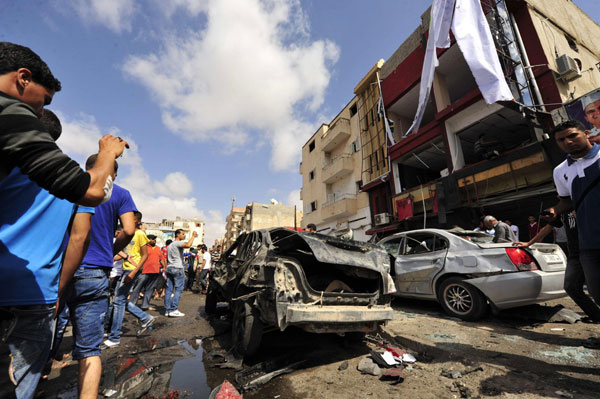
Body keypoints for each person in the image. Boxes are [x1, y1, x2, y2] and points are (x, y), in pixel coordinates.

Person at [0, 113, 95, 399]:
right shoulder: (70, 179)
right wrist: (58, 289)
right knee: (19, 385)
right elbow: (79, 237)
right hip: (36, 292)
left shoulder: (8, 163)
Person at [0, 42, 127, 206]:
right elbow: (91, 191)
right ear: (23, 78)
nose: (41, 112)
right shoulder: (11, 112)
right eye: (45, 101)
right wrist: (108, 152)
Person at [52, 154, 136, 399]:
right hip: (95, 270)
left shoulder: (68, 183)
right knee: (90, 349)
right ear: (114, 173)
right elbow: (129, 229)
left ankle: (41, 372)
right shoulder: (120, 193)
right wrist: (109, 251)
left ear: (85, 167)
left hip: (60, 267)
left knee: (46, 330)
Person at [547, 120, 600, 309]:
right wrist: (555, 210)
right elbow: (567, 201)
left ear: (586, 133)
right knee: (596, 292)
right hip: (588, 243)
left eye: (572, 136)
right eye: (561, 140)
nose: (567, 142)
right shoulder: (560, 171)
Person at [514, 210, 600, 322]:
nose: (559, 195)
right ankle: (596, 316)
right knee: (571, 287)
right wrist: (529, 243)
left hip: (591, 250)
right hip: (575, 254)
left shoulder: (584, 202)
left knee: (595, 289)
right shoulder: (563, 211)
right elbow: (548, 228)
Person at [105, 211, 154, 347]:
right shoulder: (127, 234)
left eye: (130, 218)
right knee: (120, 300)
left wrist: (133, 272)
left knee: (119, 301)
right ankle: (146, 318)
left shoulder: (140, 234)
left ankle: (115, 337)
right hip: (125, 269)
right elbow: (123, 254)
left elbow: (144, 256)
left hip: (131, 270)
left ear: (137, 220)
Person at [165, 229, 197, 317]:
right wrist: (193, 236)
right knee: (178, 289)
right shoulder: (177, 243)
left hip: (169, 267)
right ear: (177, 235)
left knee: (169, 289)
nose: (184, 236)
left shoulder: (170, 245)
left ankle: (167, 310)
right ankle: (174, 309)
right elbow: (188, 245)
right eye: (183, 234)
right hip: (177, 268)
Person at [129, 234, 165, 310]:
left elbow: (161, 258)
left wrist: (164, 267)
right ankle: (131, 306)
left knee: (150, 289)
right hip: (143, 271)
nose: (154, 240)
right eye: (152, 239)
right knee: (137, 289)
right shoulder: (143, 247)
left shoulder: (158, 248)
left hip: (155, 271)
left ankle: (145, 306)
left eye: (154, 239)